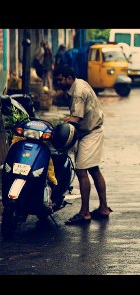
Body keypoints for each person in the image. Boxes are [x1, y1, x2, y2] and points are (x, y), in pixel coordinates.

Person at [54, 65, 112, 225]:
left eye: (60, 80)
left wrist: (60, 123)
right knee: (93, 169)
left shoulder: (78, 92)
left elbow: (76, 118)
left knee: (81, 171)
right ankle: (103, 208)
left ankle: (84, 213)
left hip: (90, 132)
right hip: (91, 129)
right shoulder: (79, 84)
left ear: (68, 78)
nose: (59, 83)